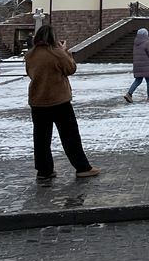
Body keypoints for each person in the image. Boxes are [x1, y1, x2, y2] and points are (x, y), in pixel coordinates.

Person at [26, 25, 99, 179]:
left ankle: (44, 171)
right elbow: (71, 68)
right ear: (52, 38)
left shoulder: (30, 55)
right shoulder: (56, 54)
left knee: (41, 138)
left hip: (37, 101)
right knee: (70, 135)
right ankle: (82, 167)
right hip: (58, 101)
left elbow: (30, 73)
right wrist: (64, 51)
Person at [124, 28, 149, 103]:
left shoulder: (136, 43)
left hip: (137, 65)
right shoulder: (147, 43)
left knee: (138, 80)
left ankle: (129, 94)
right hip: (146, 64)